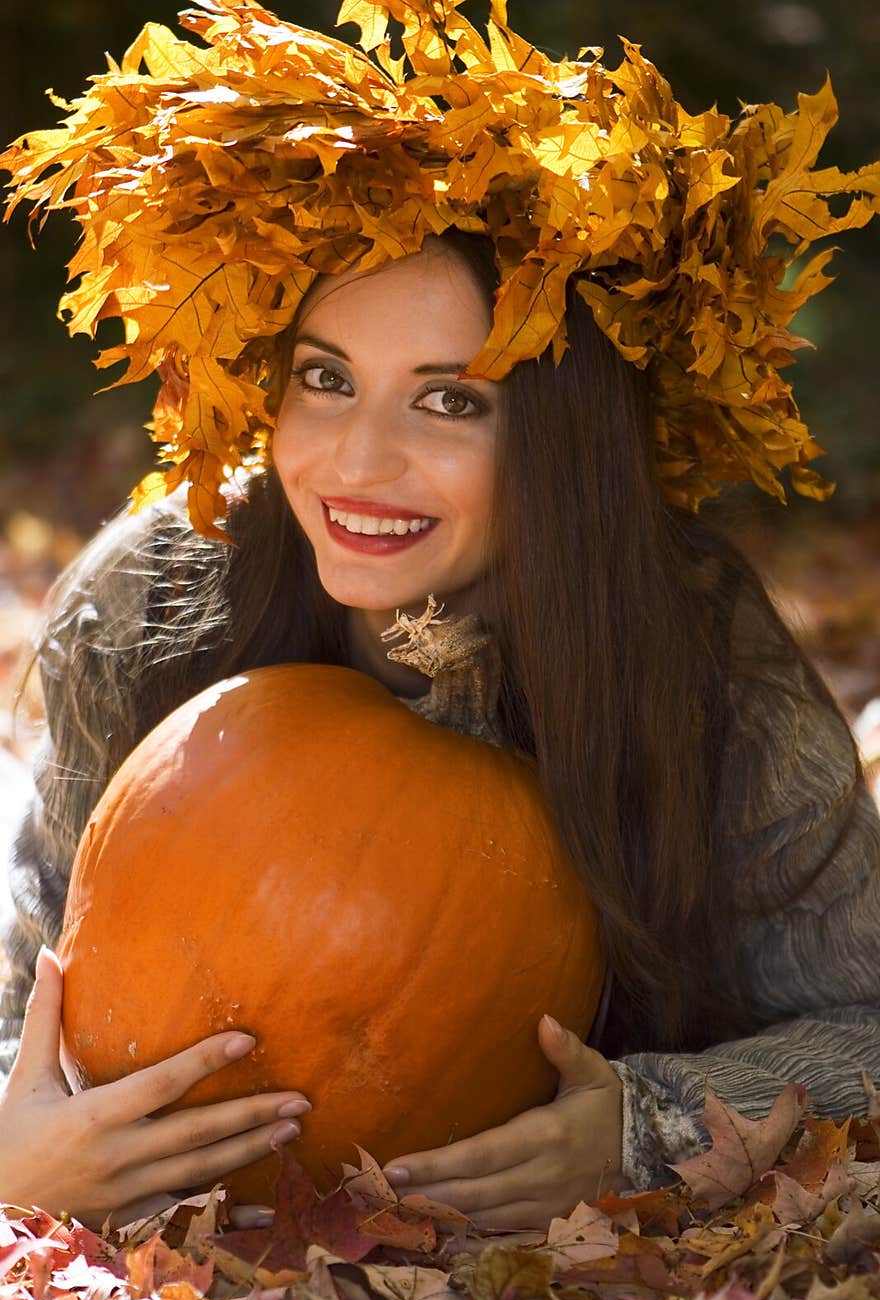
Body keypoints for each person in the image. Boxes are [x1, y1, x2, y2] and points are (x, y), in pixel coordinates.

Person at [0, 0, 878, 1236]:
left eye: (450, 402)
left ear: (560, 447)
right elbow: (20, 997)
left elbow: (872, 1021)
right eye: (324, 379)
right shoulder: (149, 601)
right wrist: (18, 1150)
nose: (358, 460)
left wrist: (646, 1122)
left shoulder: (694, 655)